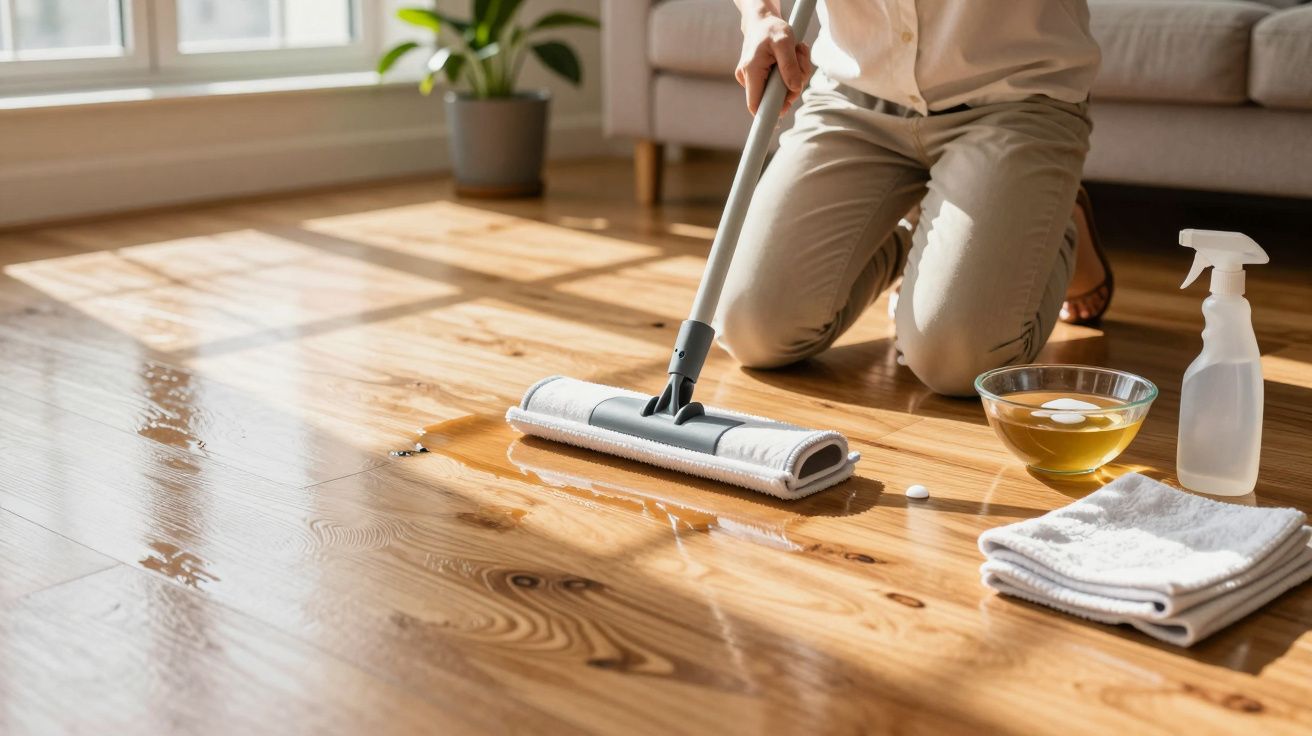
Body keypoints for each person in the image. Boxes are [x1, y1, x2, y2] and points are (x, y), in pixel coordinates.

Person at [717, 0, 1114, 396]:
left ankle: (1052, 222)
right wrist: (760, 15)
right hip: (856, 95)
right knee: (751, 329)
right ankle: (927, 229)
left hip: (1014, 96)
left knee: (957, 361)